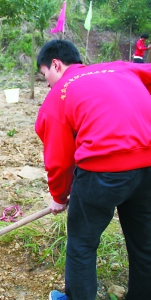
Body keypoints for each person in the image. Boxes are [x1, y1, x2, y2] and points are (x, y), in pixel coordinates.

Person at [35, 39, 151, 300]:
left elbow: (59, 158)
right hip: (147, 166)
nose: (47, 84)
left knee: (82, 245)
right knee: (144, 242)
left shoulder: (60, 92)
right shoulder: (122, 68)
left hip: (103, 172)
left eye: (45, 75)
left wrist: (58, 196)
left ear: (56, 64)